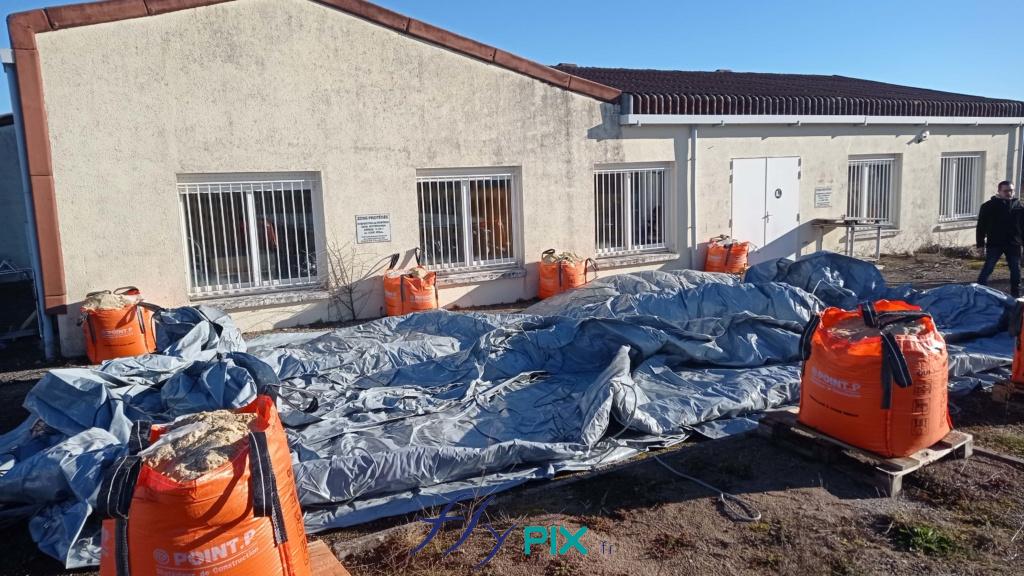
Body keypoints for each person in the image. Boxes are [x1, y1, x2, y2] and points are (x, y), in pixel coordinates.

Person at [976, 181, 1023, 297]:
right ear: (999, 191)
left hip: (1013, 243)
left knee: (1016, 270)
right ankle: (979, 291)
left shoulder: (1019, 207)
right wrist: (980, 244)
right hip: (995, 243)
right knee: (989, 267)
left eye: (1011, 190)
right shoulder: (988, 206)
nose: (1009, 193)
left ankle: (1016, 295)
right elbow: (981, 226)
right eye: (1006, 190)